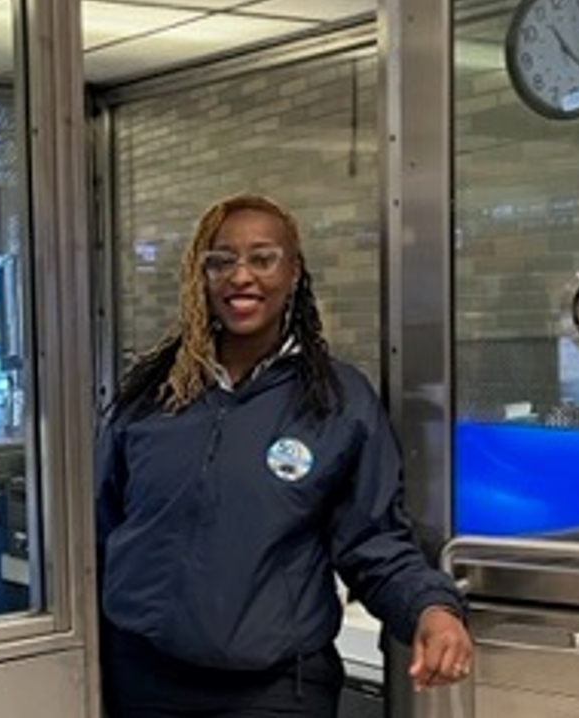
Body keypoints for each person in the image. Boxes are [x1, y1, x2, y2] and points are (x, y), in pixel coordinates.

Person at [95, 192, 473, 718]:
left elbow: (374, 542)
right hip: (144, 681)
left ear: (293, 271)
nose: (240, 276)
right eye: (221, 261)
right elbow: (103, 530)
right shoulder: (151, 396)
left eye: (262, 258)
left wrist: (430, 609)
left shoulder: (336, 401)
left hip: (274, 692)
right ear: (200, 276)